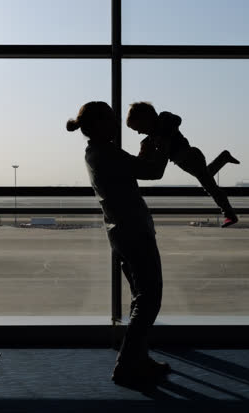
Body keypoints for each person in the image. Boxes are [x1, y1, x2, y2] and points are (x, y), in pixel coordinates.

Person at [66, 101, 172, 388]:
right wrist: (166, 145)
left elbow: (134, 169)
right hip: (133, 232)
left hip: (123, 233)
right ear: (100, 125)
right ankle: (127, 364)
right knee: (149, 299)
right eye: (111, 120)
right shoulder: (106, 152)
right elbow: (152, 172)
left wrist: (147, 152)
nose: (116, 126)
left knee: (142, 296)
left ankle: (138, 358)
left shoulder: (97, 152)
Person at [126, 101, 241, 227]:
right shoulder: (150, 141)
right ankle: (223, 157)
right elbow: (142, 161)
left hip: (191, 157)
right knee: (207, 176)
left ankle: (229, 214)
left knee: (210, 187)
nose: (139, 132)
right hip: (185, 161)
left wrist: (164, 135)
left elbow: (176, 119)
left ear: (146, 120)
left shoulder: (163, 121)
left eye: (138, 128)